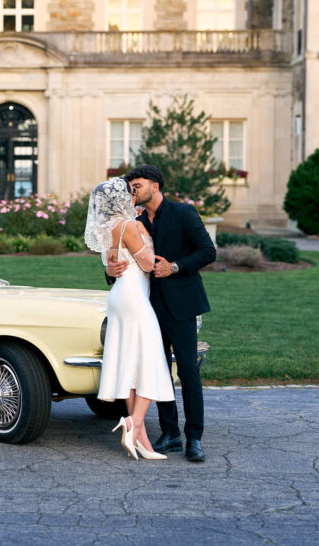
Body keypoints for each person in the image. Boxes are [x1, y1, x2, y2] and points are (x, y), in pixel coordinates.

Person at [105, 165, 216, 462]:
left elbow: (208, 251)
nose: (133, 191)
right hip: (147, 307)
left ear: (155, 186)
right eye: (131, 187)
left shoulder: (183, 213)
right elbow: (121, 263)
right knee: (158, 371)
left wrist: (175, 266)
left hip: (181, 305)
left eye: (138, 185)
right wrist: (110, 271)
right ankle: (170, 433)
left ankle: (194, 437)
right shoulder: (135, 221)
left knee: (188, 371)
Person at [85, 177, 175, 460]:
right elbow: (147, 264)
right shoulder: (131, 226)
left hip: (119, 296)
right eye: (130, 192)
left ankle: (142, 441)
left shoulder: (110, 228)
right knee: (150, 358)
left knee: (129, 361)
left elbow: (112, 265)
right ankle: (133, 422)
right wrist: (150, 241)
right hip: (134, 297)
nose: (134, 195)